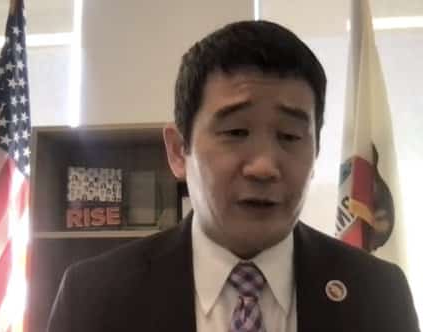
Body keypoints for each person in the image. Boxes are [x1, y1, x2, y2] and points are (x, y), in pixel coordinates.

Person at [47, 20, 419, 332]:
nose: (264, 167)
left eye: (290, 137)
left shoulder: (378, 294)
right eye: (236, 132)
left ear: (316, 151)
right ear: (179, 150)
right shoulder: (95, 297)